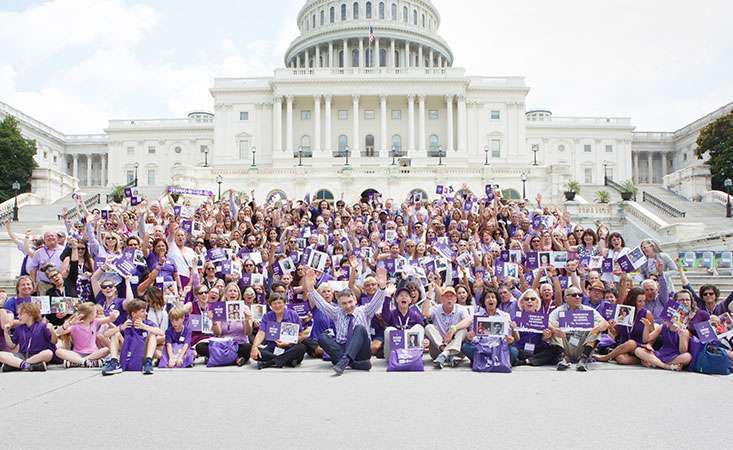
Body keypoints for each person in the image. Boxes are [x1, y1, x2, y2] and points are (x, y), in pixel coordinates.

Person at [304, 267, 388, 376]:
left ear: (355, 300)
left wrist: (381, 288)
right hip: (342, 348)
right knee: (322, 337)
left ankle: (345, 360)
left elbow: (376, 301)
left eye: (350, 302)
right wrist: (311, 289)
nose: (348, 306)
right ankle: (353, 364)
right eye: (344, 303)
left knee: (360, 328)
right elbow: (322, 304)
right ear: (339, 304)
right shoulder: (336, 312)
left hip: (361, 350)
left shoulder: (365, 310)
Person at [548, 286, 608, 371]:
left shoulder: (588, 310)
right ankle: (563, 359)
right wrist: (554, 329)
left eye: (580, 295)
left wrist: (596, 329)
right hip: (565, 344)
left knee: (596, 326)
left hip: (582, 344)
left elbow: (605, 323)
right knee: (553, 326)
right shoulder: (559, 310)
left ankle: (583, 360)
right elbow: (546, 323)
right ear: (565, 298)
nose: (577, 297)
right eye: (574, 295)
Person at [633, 290, 693, 371]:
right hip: (662, 353)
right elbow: (646, 339)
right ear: (675, 303)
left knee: (687, 357)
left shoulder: (691, 321)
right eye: (681, 300)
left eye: (687, 300)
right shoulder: (664, 325)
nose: (685, 302)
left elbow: (683, 351)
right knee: (638, 350)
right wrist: (647, 327)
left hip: (676, 355)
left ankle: (655, 363)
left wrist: (682, 336)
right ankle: (665, 366)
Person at [101, 299, 164, 376]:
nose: (146, 313)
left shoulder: (147, 323)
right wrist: (121, 327)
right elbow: (106, 334)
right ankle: (114, 362)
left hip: (142, 352)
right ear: (134, 314)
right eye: (143, 311)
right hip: (127, 349)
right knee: (115, 333)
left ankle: (148, 362)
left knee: (152, 334)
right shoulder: (127, 323)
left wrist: (144, 327)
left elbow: (161, 333)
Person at [249, 293, 306, 369]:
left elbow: (301, 336)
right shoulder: (267, 316)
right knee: (257, 354)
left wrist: (288, 343)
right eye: (274, 304)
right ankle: (287, 361)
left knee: (301, 348)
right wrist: (255, 347)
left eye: (279, 303)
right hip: (273, 348)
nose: (277, 306)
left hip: (290, 347)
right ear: (270, 305)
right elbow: (261, 332)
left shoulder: (293, 314)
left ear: (284, 303)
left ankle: (270, 362)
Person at [422, 284, 472, 369]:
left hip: (457, 350)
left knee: (463, 330)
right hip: (437, 349)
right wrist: (429, 295)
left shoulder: (460, 309)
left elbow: (469, 320)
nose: (449, 298)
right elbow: (425, 313)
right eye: (446, 296)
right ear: (442, 299)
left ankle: (445, 354)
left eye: (452, 296)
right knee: (428, 327)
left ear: (455, 299)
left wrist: (454, 328)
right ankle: (445, 352)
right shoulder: (436, 308)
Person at [0, 302, 57, 372]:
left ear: (30, 314)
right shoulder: (19, 328)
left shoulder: (42, 326)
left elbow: (54, 341)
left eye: (20, 314)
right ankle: (28, 366)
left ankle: (17, 364)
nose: (18, 317)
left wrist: (51, 330)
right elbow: (12, 346)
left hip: (38, 355)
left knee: (48, 353)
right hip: (22, 355)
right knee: (1, 354)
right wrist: (6, 333)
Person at [55, 302, 115, 368]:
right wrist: (70, 323)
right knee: (58, 351)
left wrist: (113, 315)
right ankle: (84, 361)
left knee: (106, 349)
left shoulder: (95, 322)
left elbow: (110, 319)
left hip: (93, 353)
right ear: (90, 315)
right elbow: (58, 332)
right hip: (78, 353)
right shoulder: (75, 325)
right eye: (95, 312)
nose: (96, 314)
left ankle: (80, 361)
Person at [381, 283, 425, 358]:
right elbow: (385, 317)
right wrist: (387, 296)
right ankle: (393, 358)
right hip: (394, 353)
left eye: (406, 296)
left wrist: (426, 340)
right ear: (397, 300)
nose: (403, 297)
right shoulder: (392, 313)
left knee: (419, 327)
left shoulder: (415, 315)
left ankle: (415, 356)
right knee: (389, 330)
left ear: (410, 300)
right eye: (401, 296)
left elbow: (423, 326)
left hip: (410, 352)